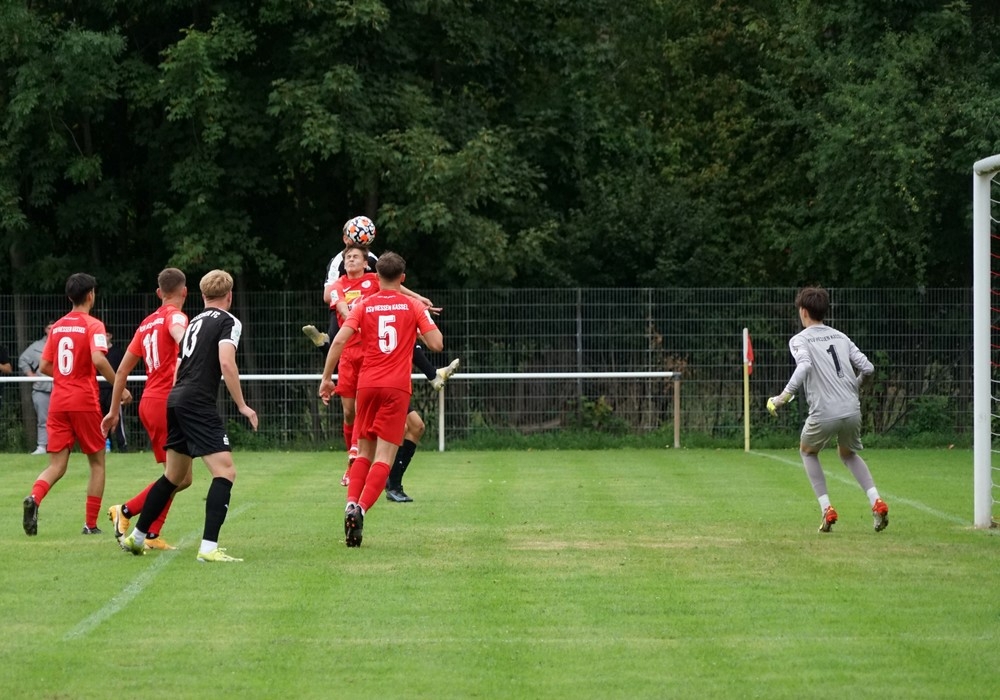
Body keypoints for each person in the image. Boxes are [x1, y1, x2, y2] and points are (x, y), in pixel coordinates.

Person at [120, 269, 258, 563]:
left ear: (203, 296)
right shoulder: (228, 321)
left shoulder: (193, 321)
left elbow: (180, 364)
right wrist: (242, 405)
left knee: (173, 476)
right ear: (229, 295)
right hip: (196, 402)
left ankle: (137, 537)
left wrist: (176, 398)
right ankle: (208, 548)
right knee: (225, 472)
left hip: (175, 398)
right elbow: (226, 363)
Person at [319, 252, 443, 547]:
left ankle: (350, 504)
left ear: (377, 276)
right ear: (402, 278)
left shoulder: (363, 304)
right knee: (384, 457)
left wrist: (326, 378)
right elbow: (436, 344)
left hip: (367, 385)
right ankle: (361, 510)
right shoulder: (412, 305)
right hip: (396, 388)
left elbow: (339, 340)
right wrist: (417, 328)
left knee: (363, 452)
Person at [766, 286, 889, 533]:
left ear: (803, 311)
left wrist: (782, 398)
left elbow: (804, 366)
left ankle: (827, 509)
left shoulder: (800, 339)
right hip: (852, 409)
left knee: (808, 452)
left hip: (824, 411)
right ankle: (876, 501)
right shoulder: (840, 337)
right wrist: (855, 387)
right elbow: (868, 368)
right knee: (848, 454)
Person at [21, 274, 132, 537]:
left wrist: (65, 377)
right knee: (97, 463)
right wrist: (121, 386)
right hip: (84, 400)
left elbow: (45, 365)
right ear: (91, 295)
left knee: (57, 465)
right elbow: (99, 360)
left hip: (58, 402)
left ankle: (34, 498)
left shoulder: (58, 327)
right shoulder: (93, 325)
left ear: (69, 297)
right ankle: (90, 524)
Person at [302, 216, 460, 392]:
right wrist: (346, 293)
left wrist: (417, 297)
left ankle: (432, 374)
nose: (352, 259)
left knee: (399, 336)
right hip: (345, 309)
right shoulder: (338, 261)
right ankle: (326, 346)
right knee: (340, 343)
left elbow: (389, 280)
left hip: (372, 309)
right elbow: (327, 296)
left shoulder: (370, 259)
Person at [102, 268, 190, 551]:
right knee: (176, 476)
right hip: (167, 403)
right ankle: (126, 511)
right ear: (185, 292)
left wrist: (113, 411)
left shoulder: (146, 324)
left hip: (150, 402)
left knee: (181, 477)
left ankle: (151, 533)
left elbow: (122, 370)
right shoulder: (176, 317)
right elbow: (179, 332)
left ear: (159, 293)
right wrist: (190, 343)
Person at [19, 322, 54, 455]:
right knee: (43, 419)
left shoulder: (63, 343)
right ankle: (42, 446)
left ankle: (61, 446)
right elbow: (23, 359)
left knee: (64, 419)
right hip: (41, 388)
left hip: (61, 388)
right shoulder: (36, 346)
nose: (51, 330)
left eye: (54, 328)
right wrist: (30, 374)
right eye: (49, 328)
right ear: (45, 329)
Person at [384, 408, 424, 503]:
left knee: (418, 427)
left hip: (402, 397)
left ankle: (391, 481)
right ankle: (394, 487)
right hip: (388, 399)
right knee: (401, 427)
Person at [98, 331, 128, 452]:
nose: (104, 337)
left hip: (113, 390)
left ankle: (123, 446)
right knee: (100, 418)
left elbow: (122, 371)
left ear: (110, 336)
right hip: (99, 389)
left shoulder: (117, 352)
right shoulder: (97, 352)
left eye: (106, 334)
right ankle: (103, 444)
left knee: (117, 418)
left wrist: (121, 388)